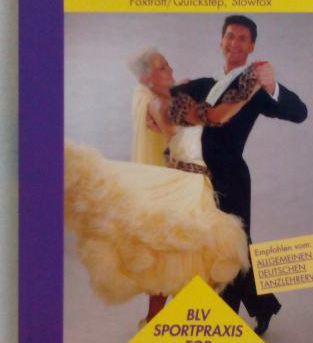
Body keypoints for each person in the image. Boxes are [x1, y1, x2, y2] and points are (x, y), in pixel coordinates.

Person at [64, 48, 260, 326]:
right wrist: (250, 86)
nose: (171, 70)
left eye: (168, 65)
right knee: (182, 251)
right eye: (162, 68)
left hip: (191, 180)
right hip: (186, 183)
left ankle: (160, 319)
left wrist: (181, 88)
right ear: (147, 79)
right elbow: (215, 117)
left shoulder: (166, 100)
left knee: (176, 253)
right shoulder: (166, 106)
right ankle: (164, 320)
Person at [169, 16, 307, 335]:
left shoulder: (253, 87)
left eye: (242, 38)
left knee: (232, 246)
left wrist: (273, 86)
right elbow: (164, 97)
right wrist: (167, 95)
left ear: (252, 46)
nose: (235, 42)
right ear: (221, 41)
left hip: (230, 177)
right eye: (230, 36)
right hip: (195, 179)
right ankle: (263, 305)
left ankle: (224, 317)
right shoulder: (203, 84)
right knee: (215, 244)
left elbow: (300, 113)